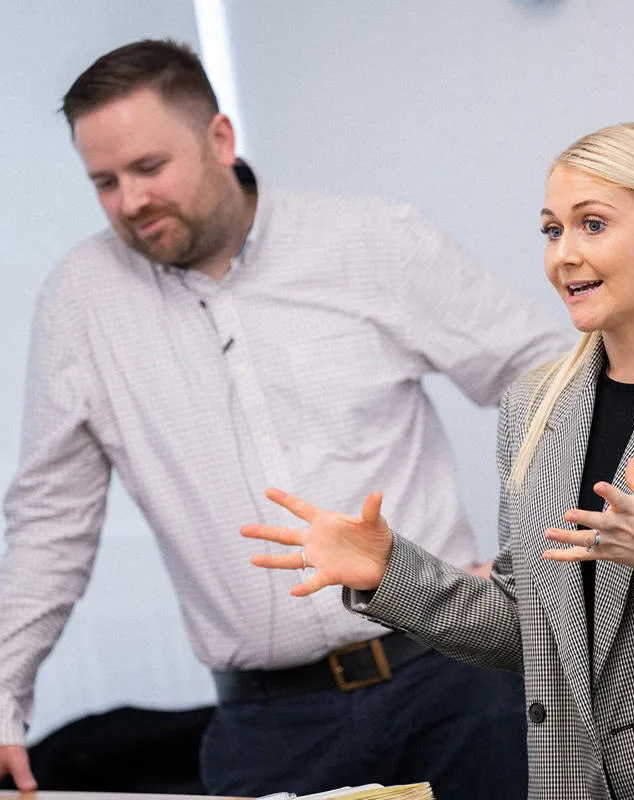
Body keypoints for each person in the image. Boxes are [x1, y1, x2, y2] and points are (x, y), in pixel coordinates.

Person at [0, 40, 570, 798]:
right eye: (104, 182)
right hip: (271, 732)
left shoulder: (372, 242)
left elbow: (557, 384)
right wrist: (5, 696)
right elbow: (50, 522)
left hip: (455, 690)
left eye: (148, 168)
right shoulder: (80, 304)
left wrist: (533, 565)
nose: (130, 201)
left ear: (220, 139)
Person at [243, 123, 634, 800]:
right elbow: (529, 630)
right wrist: (393, 574)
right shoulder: (535, 406)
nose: (564, 254)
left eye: (592, 225)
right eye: (551, 230)